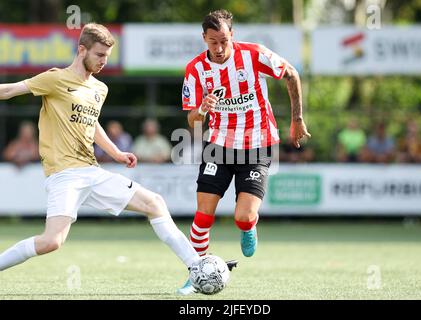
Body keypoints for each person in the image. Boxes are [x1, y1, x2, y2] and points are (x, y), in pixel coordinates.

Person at [0, 23, 202, 290]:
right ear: (81, 49)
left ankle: (196, 269)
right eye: (99, 55)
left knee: (154, 203)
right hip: (64, 175)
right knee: (52, 242)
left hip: (92, 171)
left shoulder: (99, 89)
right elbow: (9, 90)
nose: (104, 61)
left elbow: (92, 123)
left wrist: (116, 152)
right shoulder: (55, 78)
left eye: (107, 56)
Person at [179, 9, 311, 294]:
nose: (219, 47)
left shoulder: (254, 55)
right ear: (204, 39)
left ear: (232, 35)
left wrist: (297, 118)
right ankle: (196, 270)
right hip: (218, 145)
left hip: (257, 144)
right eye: (213, 41)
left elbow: (291, 74)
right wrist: (201, 109)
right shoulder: (195, 70)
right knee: (203, 214)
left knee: (243, 217)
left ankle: (249, 226)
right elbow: (191, 119)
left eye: (224, 40)